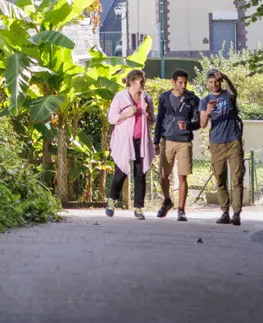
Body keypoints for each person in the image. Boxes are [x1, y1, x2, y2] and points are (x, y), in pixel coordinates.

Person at [105, 69, 155, 219]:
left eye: (143, 81)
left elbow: (152, 122)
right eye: (140, 82)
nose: (143, 84)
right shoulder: (120, 97)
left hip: (141, 140)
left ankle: (139, 207)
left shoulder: (146, 98)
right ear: (132, 82)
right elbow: (111, 118)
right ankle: (112, 201)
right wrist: (127, 113)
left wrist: (147, 113)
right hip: (124, 141)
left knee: (140, 174)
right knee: (121, 172)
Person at [153, 69, 200, 221]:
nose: (183, 85)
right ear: (172, 82)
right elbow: (159, 119)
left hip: (184, 142)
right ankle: (167, 201)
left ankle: (181, 209)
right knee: (163, 176)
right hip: (167, 140)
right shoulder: (164, 98)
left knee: (182, 177)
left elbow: (199, 122)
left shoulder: (193, 99)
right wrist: (156, 141)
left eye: (185, 82)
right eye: (180, 82)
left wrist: (188, 125)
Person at [200, 68, 246, 225]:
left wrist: (226, 77)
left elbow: (234, 91)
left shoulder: (228, 95)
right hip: (216, 143)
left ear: (220, 82)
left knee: (237, 177)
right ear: (208, 83)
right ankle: (225, 212)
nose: (214, 85)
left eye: (216, 81)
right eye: (211, 82)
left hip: (233, 141)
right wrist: (207, 112)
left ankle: (237, 213)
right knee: (220, 178)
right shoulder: (205, 100)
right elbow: (202, 124)